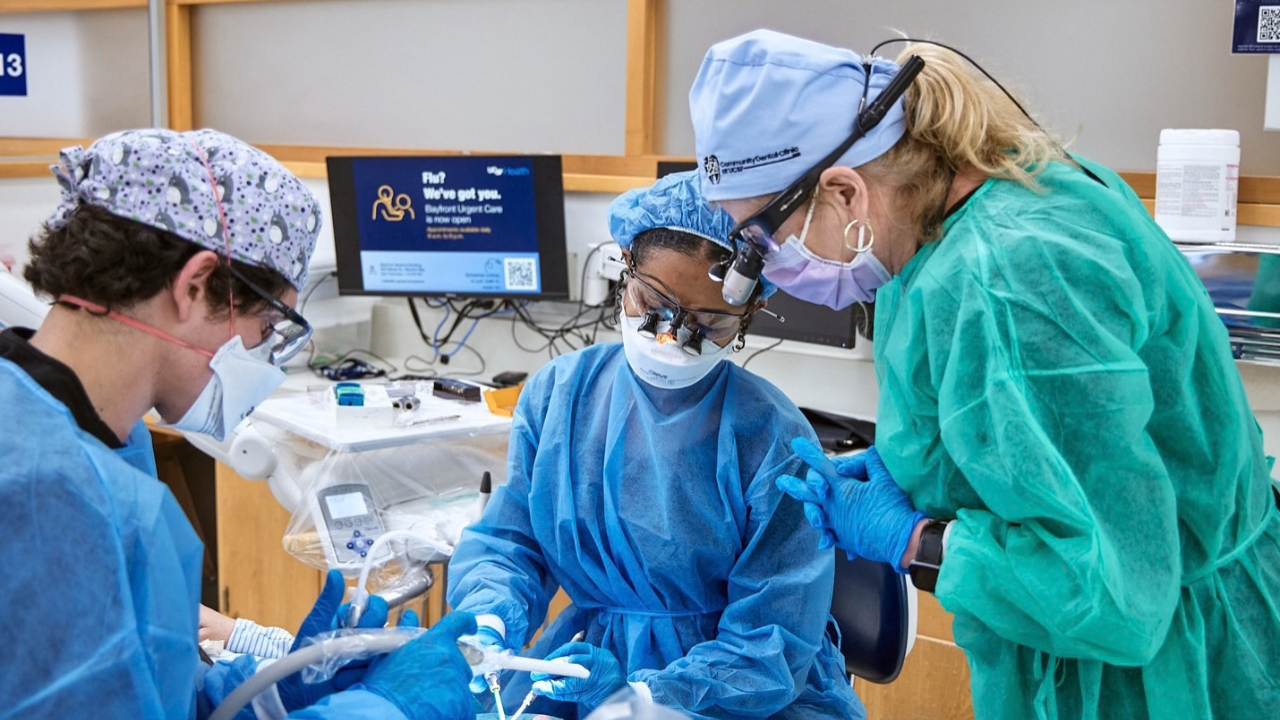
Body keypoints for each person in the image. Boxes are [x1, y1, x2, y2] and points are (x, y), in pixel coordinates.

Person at [687, 29, 1280, 720]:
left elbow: (1112, 594)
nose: (758, 269)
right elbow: (1024, 427)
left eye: (761, 239)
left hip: (1160, 677)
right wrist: (910, 465)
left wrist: (912, 540)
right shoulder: (942, 224)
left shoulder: (1008, 277)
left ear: (844, 191)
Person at [0, 128, 476, 720]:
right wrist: (381, 711)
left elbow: (132, 688)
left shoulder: (106, 441)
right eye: (267, 330)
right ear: (196, 285)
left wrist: (267, 695)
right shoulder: (49, 498)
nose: (264, 358)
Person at [447, 171, 863, 720]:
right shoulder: (558, 396)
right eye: (654, 302)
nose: (671, 336)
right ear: (626, 268)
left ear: (751, 311)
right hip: (581, 668)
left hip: (728, 693)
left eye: (707, 323)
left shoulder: (771, 436)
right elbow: (513, 540)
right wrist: (490, 616)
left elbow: (774, 639)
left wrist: (646, 703)